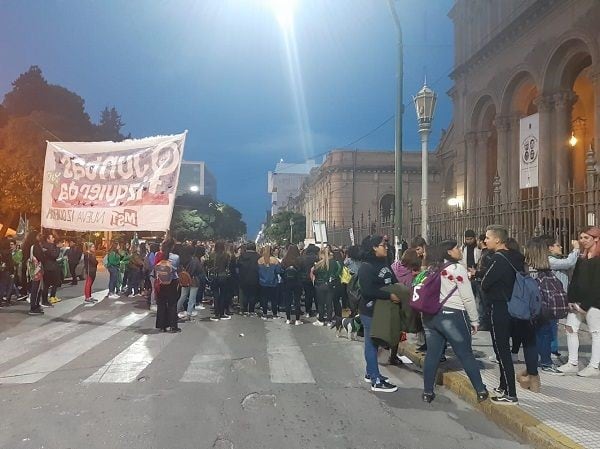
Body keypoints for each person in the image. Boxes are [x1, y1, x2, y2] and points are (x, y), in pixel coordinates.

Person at [421, 240, 488, 403]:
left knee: (432, 355)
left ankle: (427, 392)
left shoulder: (432, 268)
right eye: (457, 248)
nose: (459, 250)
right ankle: (480, 389)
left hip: (431, 317)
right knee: (465, 354)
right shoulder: (457, 269)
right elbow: (467, 297)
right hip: (453, 316)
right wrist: (474, 320)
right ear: (449, 252)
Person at [482, 225, 529, 404]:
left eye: (488, 237)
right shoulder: (515, 257)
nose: (485, 240)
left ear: (498, 240)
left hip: (500, 307)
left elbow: (486, 283)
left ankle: (510, 393)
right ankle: (503, 385)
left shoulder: (497, 259)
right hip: (514, 307)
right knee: (504, 349)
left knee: (501, 350)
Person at [357, 235, 400, 393]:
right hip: (370, 310)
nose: (386, 247)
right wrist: (389, 295)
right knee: (372, 343)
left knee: (373, 342)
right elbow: (368, 291)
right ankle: (375, 379)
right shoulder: (366, 267)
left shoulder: (383, 262)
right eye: (383, 245)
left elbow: (392, 279)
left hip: (382, 311)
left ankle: (371, 373)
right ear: (374, 247)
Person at [558, 227, 600, 377]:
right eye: (581, 238)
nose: (582, 241)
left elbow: (597, 285)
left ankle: (594, 366)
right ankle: (572, 362)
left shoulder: (598, 259)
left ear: (596, 239)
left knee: (595, 333)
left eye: (586, 238)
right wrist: (571, 299)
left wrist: (585, 306)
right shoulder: (582, 258)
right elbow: (574, 280)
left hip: (594, 304)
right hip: (577, 302)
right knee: (570, 328)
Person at [525, 238, 563, 376]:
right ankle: (546, 362)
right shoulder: (545, 267)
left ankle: (533, 363)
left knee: (531, 335)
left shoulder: (525, 266)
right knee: (545, 333)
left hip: (528, 304)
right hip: (543, 304)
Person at [541, 235, 579, 358]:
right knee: (551, 323)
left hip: (560, 296)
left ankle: (553, 348)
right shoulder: (550, 260)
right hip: (553, 297)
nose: (561, 247)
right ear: (550, 248)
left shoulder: (556, 259)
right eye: (558, 245)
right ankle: (551, 350)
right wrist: (576, 249)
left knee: (554, 323)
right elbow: (569, 262)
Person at [155, 238, 181, 333]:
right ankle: (173, 326)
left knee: (161, 304)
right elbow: (177, 268)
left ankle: (162, 326)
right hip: (172, 282)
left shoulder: (158, 255)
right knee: (172, 304)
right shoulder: (176, 257)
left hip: (161, 281)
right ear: (172, 246)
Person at [312, 247, 342, 327]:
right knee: (329, 303)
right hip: (330, 285)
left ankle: (321, 320)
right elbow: (338, 272)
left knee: (321, 303)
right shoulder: (334, 263)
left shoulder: (319, 263)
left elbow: (315, 272)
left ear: (321, 254)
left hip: (320, 284)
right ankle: (329, 320)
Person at [209, 241, 233, 321]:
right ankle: (222, 313)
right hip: (223, 276)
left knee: (215, 295)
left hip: (214, 276)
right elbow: (227, 266)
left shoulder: (212, 254)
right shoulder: (226, 255)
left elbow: (208, 264)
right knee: (223, 295)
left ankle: (216, 314)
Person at [177, 246, 203, 320]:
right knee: (192, 299)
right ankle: (188, 315)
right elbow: (199, 270)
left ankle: (175, 311)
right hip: (194, 280)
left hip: (184, 279)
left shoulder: (182, 259)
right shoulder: (195, 260)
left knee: (182, 296)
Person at [257, 245, 281, 320]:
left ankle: (264, 314)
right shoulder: (275, 260)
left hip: (262, 283)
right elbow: (278, 271)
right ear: (271, 251)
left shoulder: (260, 260)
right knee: (274, 299)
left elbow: (257, 271)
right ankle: (274, 314)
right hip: (273, 282)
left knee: (264, 299)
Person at [281, 244, 303, 325]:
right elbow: (303, 271)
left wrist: (285, 278)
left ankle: (288, 319)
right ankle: (297, 320)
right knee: (297, 301)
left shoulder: (285, 260)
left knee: (288, 301)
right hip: (297, 282)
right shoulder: (300, 260)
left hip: (287, 283)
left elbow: (281, 271)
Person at [237, 242, 260, 316]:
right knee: (252, 295)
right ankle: (251, 310)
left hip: (243, 278)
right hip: (254, 278)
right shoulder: (258, 256)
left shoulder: (242, 256)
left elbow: (238, 266)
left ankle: (244, 309)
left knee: (245, 294)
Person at [40, 231, 61, 306]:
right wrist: (58, 248)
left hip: (46, 267)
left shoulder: (43, 246)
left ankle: (45, 300)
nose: (53, 239)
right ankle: (46, 300)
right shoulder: (50, 246)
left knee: (46, 285)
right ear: (48, 239)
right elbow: (55, 255)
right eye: (52, 238)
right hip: (51, 268)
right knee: (50, 284)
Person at [299, 244, 319, 318]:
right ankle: (318, 311)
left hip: (305, 279)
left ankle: (308, 311)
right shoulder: (317, 258)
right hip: (315, 278)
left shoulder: (303, 258)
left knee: (308, 295)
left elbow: (300, 268)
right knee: (316, 295)